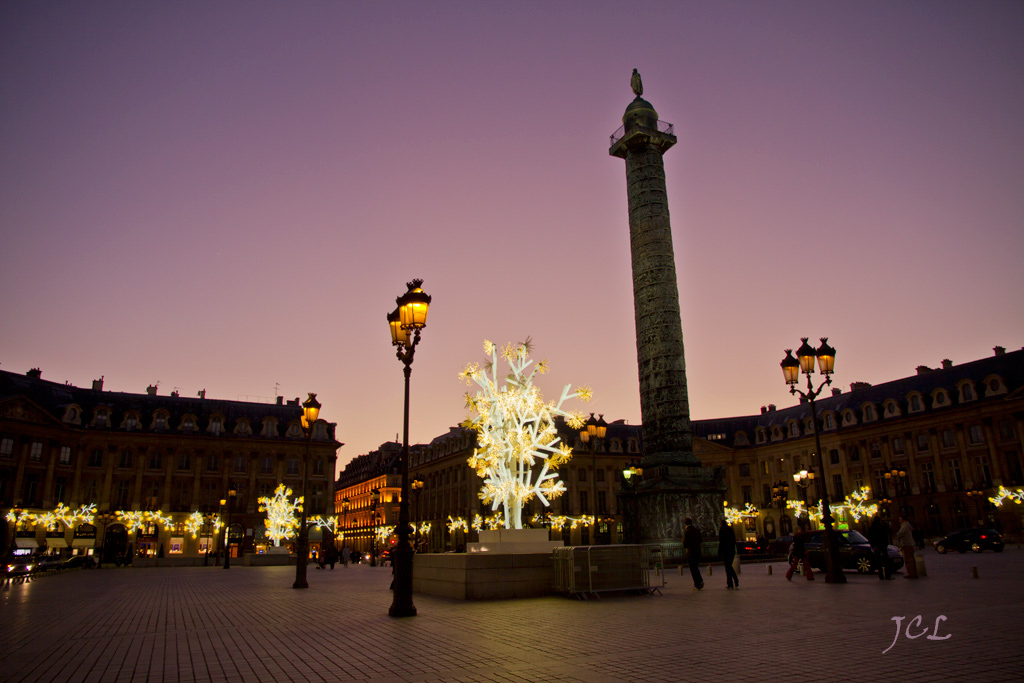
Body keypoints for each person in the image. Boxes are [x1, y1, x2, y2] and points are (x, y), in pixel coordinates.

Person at [868, 515, 894, 580]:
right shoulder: (882, 527)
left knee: (878, 561)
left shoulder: (871, 528)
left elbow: (870, 537)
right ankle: (887, 575)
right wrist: (886, 544)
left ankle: (881, 575)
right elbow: (886, 535)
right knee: (886, 560)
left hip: (876, 546)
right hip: (882, 545)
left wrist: (873, 545)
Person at [682, 518, 704, 590]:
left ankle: (697, 584)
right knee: (696, 567)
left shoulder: (687, 531)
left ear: (685, 523)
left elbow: (684, 543)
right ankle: (700, 580)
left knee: (693, 568)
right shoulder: (697, 530)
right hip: (698, 551)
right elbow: (701, 540)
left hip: (690, 552)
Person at [718, 519, 739, 590]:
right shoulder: (730, 530)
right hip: (731, 550)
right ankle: (731, 582)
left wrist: (719, 552)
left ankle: (733, 581)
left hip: (725, 551)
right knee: (728, 566)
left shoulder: (721, 531)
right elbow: (734, 541)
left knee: (728, 567)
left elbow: (721, 542)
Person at [895, 514, 917, 579]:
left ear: (903, 520)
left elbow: (900, 533)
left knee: (908, 560)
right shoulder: (907, 525)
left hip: (907, 544)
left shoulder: (905, 526)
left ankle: (911, 573)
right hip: (910, 544)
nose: (899, 520)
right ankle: (914, 572)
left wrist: (897, 534)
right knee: (912, 559)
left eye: (900, 519)